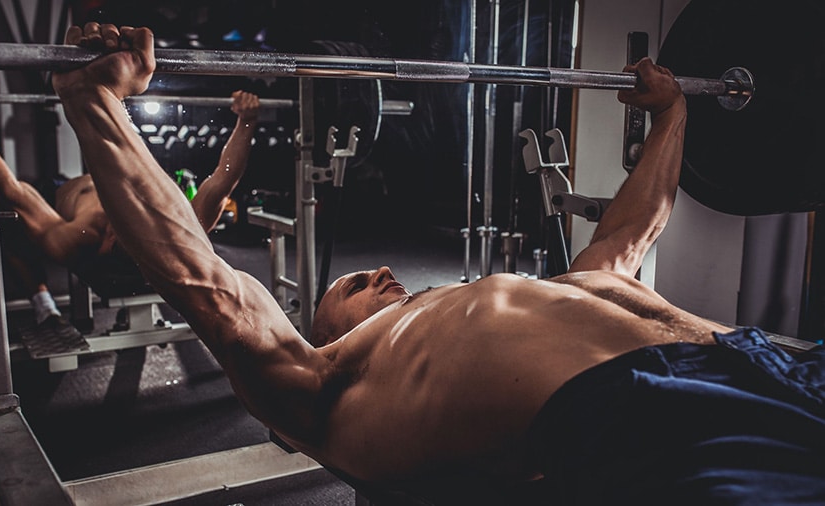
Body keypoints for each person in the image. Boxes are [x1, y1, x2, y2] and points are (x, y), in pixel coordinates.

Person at [51, 23, 825, 505]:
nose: (376, 273)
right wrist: (96, 106)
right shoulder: (329, 387)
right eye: (353, 287)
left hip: (754, 359)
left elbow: (631, 233)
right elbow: (208, 287)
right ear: (325, 336)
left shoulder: (545, 292)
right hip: (659, 425)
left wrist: (675, 115)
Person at [0, 89, 260, 328]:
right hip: (95, 181)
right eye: (123, 228)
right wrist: (246, 121)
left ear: (104, 246)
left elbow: (16, 192)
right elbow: (221, 183)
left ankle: (43, 304)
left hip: (58, 191)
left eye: (114, 234)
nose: (116, 224)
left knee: (13, 231)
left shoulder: (75, 238)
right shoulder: (176, 229)